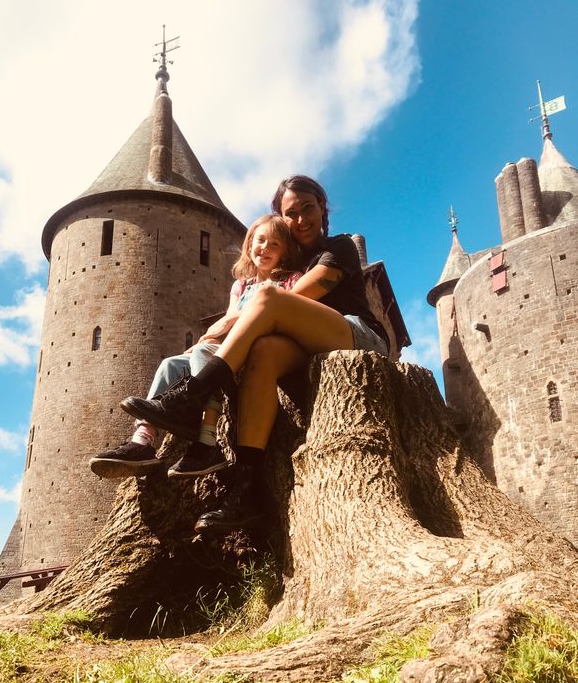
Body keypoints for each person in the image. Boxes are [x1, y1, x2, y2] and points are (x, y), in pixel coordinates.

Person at [121, 175, 390, 532]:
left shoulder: (338, 247)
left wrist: (234, 320)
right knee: (262, 352)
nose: (301, 219)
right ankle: (246, 486)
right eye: (290, 213)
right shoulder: (287, 266)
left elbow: (298, 298)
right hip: (307, 347)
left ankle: (193, 392)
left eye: (307, 208)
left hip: (356, 335)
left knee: (266, 298)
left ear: (323, 208)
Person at [90, 213, 302, 479]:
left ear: (285, 251)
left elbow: (257, 320)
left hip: (255, 355)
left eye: (275, 244)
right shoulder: (242, 285)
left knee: (203, 352)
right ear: (249, 244)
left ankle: (206, 440)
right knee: (171, 364)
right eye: (261, 240)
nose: (265, 249)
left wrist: (216, 332)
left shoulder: (290, 281)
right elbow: (229, 323)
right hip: (227, 350)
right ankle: (142, 440)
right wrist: (211, 336)